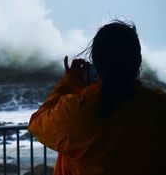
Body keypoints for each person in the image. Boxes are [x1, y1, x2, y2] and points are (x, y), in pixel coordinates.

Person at [28, 20, 166, 175]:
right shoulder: (158, 107)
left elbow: (37, 123)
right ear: (137, 61)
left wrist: (70, 82)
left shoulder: (77, 111)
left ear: (97, 62)